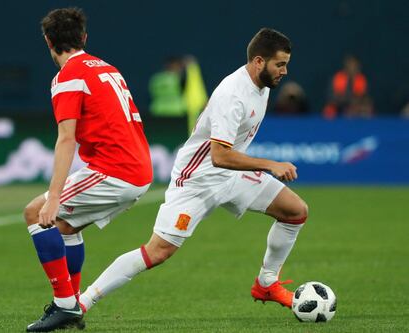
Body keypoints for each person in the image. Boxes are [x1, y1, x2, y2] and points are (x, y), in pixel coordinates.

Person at [79, 28, 308, 317]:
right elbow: (220, 155)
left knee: (295, 211)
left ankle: (266, 283)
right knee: (158, 251)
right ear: (259, 61)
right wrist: (270, 164)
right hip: (197, 180)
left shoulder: (262, 85)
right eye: (280, 64)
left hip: (231, 176)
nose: (285, 71)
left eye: (286, 64)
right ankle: (83, 301)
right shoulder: (233, 94)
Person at [24, 7, 153, 332]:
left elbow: (66, 139)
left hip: (116, 170)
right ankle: (71, 305)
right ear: (84, 37)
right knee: (66, 227)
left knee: (35, 212)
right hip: (138, 168)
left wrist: (53, 196)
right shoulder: (106, 67)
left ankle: (66, 305)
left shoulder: (68, 76)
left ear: (47, 41)